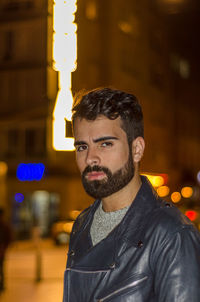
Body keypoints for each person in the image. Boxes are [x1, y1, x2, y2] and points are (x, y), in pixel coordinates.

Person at [63, 87, 200, 301]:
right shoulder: (81, 225)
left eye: (105, 144)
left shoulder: (172, 234)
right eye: (82, 147)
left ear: (137, 149)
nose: (91, 158)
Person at [0, 208, 12, 292]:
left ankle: (2, 284)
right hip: (2, 250)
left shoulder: (4, 226)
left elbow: (9, 239)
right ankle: (2, 284)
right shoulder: (5, 225)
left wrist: (4, 248)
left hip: (1, 251)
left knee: (1, 268)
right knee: (1, 268)